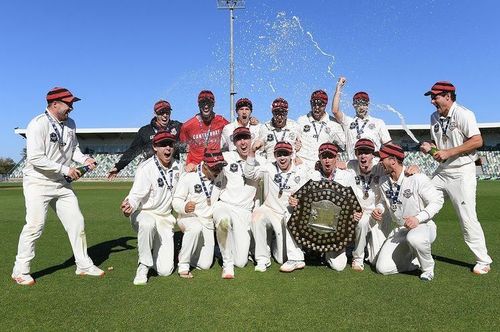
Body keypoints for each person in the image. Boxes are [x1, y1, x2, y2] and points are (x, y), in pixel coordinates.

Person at [12, 87, 104, 285]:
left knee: (77, 222)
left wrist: (85, 159)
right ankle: (20, 270)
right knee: (35, 226)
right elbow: (36, 158)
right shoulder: (38, 124)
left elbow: (74, 150)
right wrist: (65, 169)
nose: (71, 107)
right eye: (68, 103)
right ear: (55, 104)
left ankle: (83, 264)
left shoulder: (71, 123)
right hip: (38, 182)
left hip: (61, 184)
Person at [420, 81, 493, 274]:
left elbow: (477, 140)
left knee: (467, 218)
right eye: (432, 97)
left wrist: (448, 152)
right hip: (442, 171)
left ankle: (483, 260)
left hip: (462, 171)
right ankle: (416, 247)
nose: (432, 101)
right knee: (418, 199)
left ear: (448, 96)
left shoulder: (463, 114)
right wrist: (429, 148)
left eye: (435, 97)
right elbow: (439, 147)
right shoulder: (434, 117)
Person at [373, 143, 443, 281]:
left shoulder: (417, 178)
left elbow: (437, 201)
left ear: (393, 160)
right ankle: (415, 260)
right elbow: (384, 201)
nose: (379, 162)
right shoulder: (383, 181)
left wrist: (417, 218)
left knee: (415, 239)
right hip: (400, 229)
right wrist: (379, 209)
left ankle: (428, 268)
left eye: (382, 159)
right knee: (382, 268)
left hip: (422, 226)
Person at [120, 131, 182, 285]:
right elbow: (135, 195)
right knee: (148, 224)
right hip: (144, 214)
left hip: (165, 219)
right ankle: (143, 266)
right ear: (155, 147)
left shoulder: (178, 166)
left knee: (165, 271)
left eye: (170, 144)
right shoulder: (146, 167)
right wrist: (130, 205)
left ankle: (153, 247)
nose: (167, 148)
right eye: (162, 145)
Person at [244, 141, 309, 273]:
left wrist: (299, 201)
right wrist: (252, 152)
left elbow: (309, 195)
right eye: (279, 154)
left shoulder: (301, 170)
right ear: (275, 155)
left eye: (285, 154)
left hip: (288, 213)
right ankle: (262, 259)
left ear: (291, 155)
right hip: (270, 209)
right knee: (257, 215)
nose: (282, 158)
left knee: (281, 258)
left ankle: (281, 248)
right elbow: (249, 174)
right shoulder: (269, 168)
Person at [295, 142, 360, 271]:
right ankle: (309, 248)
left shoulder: (346, 176)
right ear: (319, 159)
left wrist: (355, 212)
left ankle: (325, 251)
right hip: (315, 224)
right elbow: (299, 197)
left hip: (336, 229)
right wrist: (294, 200)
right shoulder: (312, 176)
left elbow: (355, 201)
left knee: (339, 266)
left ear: (336, 158)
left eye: (330, 157)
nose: (327, 160)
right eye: (324, 157)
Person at [213, 127, 262, 279]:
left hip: (244, 211)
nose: (243, 142)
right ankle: (227, 265)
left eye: (246, 138)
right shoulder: (226, 157)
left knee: (241, 262)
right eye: (239, 139)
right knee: (223, 222)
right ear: (233, 142)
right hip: (225, 205)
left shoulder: (260, 161)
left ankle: (219, 249)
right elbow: (208, 165)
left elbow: (252, 174)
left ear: (251, 140)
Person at [172, 150, 226, 278]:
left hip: (207, 221)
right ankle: (183, 265)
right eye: (215, 167)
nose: (218, 170)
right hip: (189, 217)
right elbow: (176, 200)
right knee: (195, 228)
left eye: (220, 166)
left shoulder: (220, 174)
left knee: (205, 265)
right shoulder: (189, 176)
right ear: (205, 165)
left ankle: (183, 252)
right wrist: (184, 206)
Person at [108, 99, 182, 179]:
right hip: (153, 172)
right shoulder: (145, 131)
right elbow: (133, 151)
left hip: (173, 171)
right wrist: (118, 166)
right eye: (161, 112)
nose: (165, 115)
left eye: (167, 112)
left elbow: (192, 132)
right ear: (155, 113)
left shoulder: (177, 126)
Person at [346, 138, 389, 271]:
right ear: (356, 154)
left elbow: (398, 170)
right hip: (358, 212)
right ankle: (357, 257)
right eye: (360, 152)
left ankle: (364, 246)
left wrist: (380, 209)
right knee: (362, 222)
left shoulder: (380, 167)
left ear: (372, 155)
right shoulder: (350, 165)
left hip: (376, 214)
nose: (363, 156)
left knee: (376, 261)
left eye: (367, 152)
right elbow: (334, 164)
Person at [331, 77, 391, 160]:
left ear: (368, 104)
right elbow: (335, 111)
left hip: (373, 167)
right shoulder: (348, 122)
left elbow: (389, 146)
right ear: (353, 105)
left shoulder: (378, 122)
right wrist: (338, 88)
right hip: (353, 166)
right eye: (358, 104)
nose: (361, 107)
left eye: (364, 104)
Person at [180, 90, 229, 171]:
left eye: (209, 103)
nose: (206, 106)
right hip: (195, 169)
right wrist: (185, 164)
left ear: (213, 104)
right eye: (203, 103)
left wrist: (251, 121)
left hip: (215, 168)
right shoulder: (187, 126)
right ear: (198, 105)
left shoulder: (222, 121)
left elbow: (235, 133)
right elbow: (183, 149)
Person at [296, 90, 345, 168]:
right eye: (314, 104)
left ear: (325, 105)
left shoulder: (333, 124)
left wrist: (338, 157)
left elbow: (345, 145)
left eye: (320, 105)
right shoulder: (301, 120)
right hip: (302, 166)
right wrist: (294, 155)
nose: (317, 108)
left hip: (323, 168)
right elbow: (292, 143)